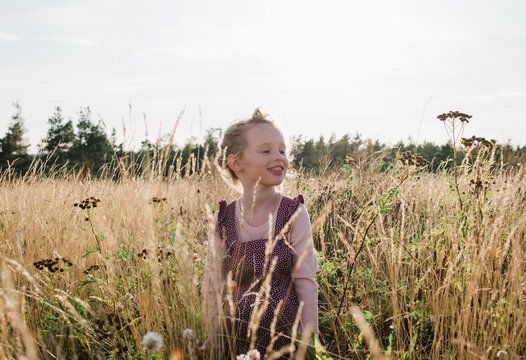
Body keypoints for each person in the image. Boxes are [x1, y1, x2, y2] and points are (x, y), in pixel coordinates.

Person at [202, 109, 319, 359]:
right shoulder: (223, 218)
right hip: (234, 338)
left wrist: (309, 341)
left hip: (285, 339)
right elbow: (213, 285)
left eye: (283, 150)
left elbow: (306, 281)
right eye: (266, 151)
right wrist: (212, 341)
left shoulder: (293, 213)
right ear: (236, 163)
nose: (279, 157)